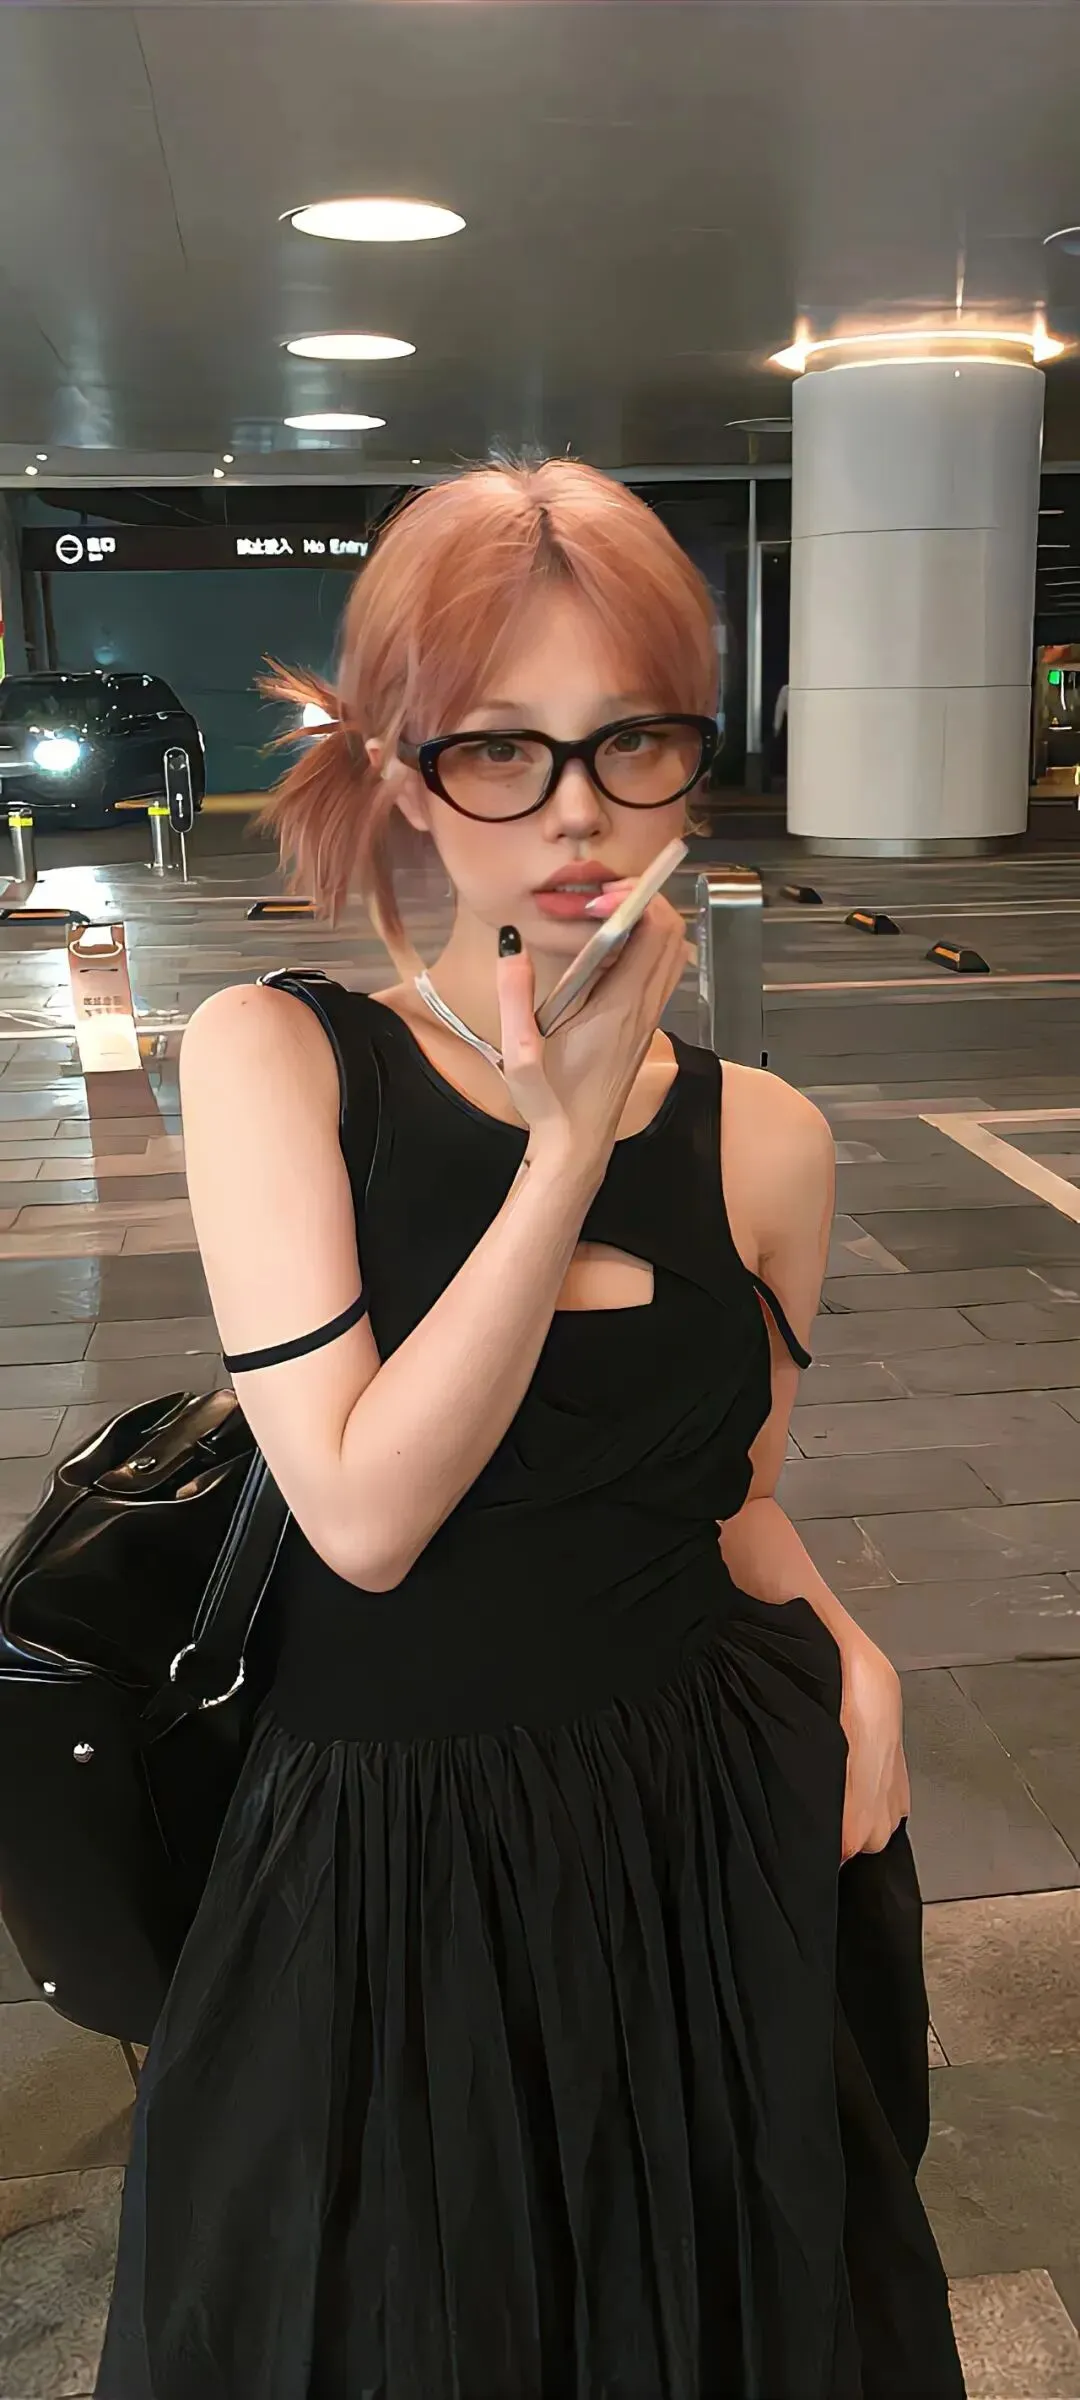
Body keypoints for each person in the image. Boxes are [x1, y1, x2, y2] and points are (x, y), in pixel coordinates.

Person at [96, 462, 964, 2400]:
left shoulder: (768, 1139)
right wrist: (563, 1150)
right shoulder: (278, 1058)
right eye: (501, 748)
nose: (578, 811)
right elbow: (363, 1515)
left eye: (631, 741)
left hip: (700, 1824)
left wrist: (856, 1651)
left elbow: (727, 1499)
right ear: (402, 774)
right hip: (392, 1860)